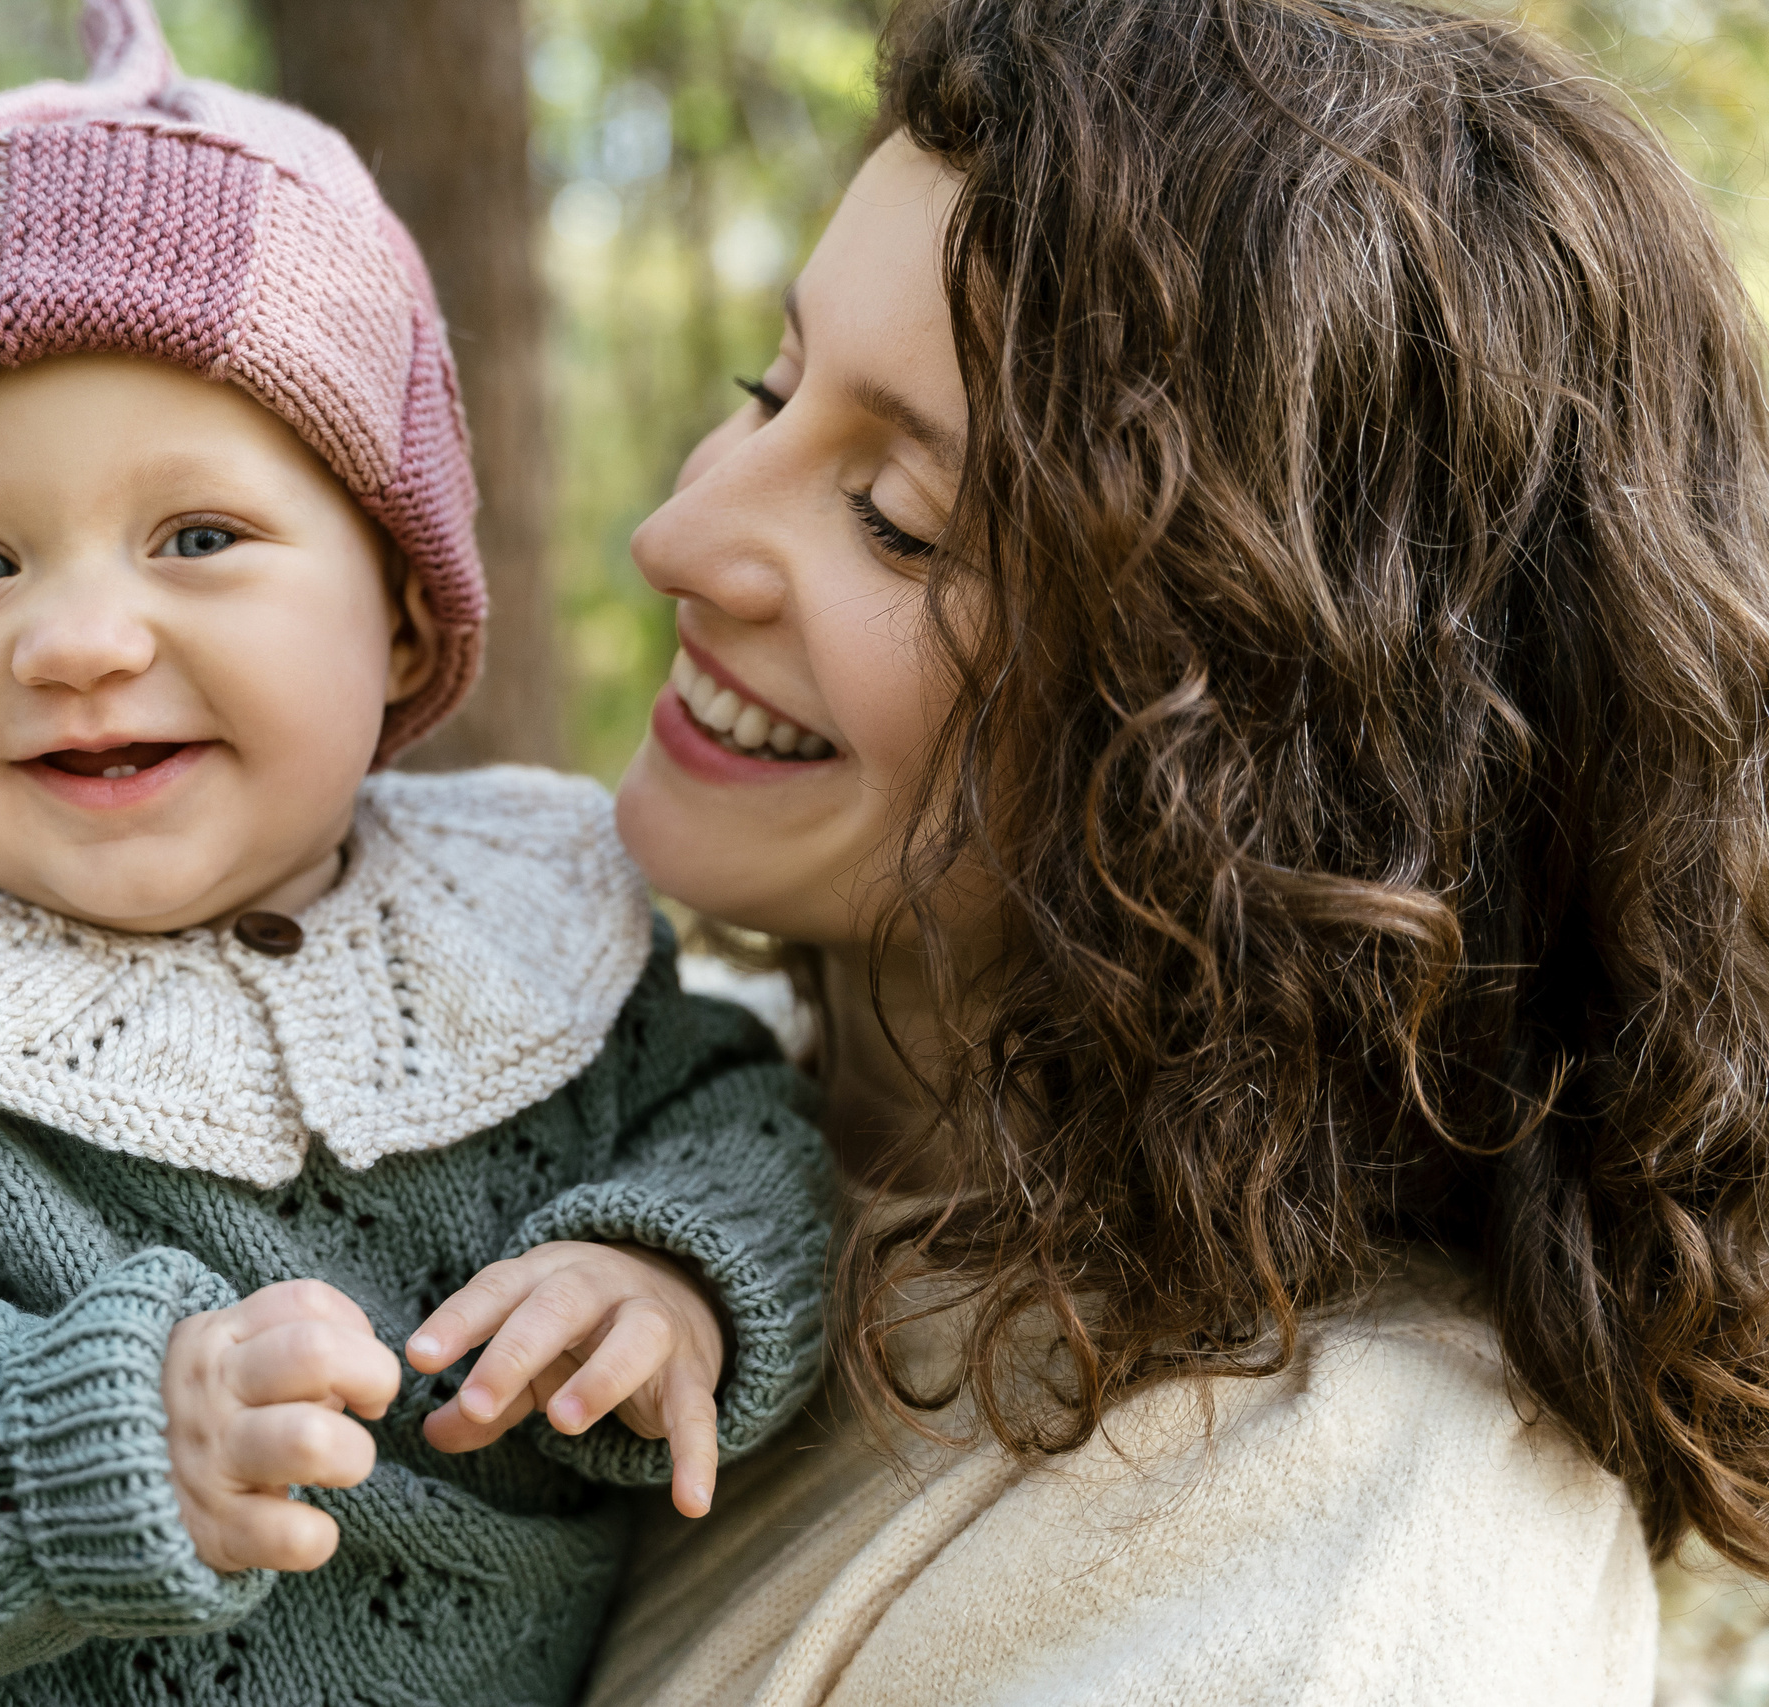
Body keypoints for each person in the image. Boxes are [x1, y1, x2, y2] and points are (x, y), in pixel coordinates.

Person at [0, 5, 830, 1702]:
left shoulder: (534, 918)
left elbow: (751, 1110)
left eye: (199, 535)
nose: (79, 640)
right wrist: (85, 1445)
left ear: (401, 616)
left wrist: (674, 1268)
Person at [584, 0, 1769, 1701]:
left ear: (1271, 757)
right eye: (764, 392)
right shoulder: (620, 1090)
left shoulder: (1361, 1548)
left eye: (898, 520)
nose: (678, 534)